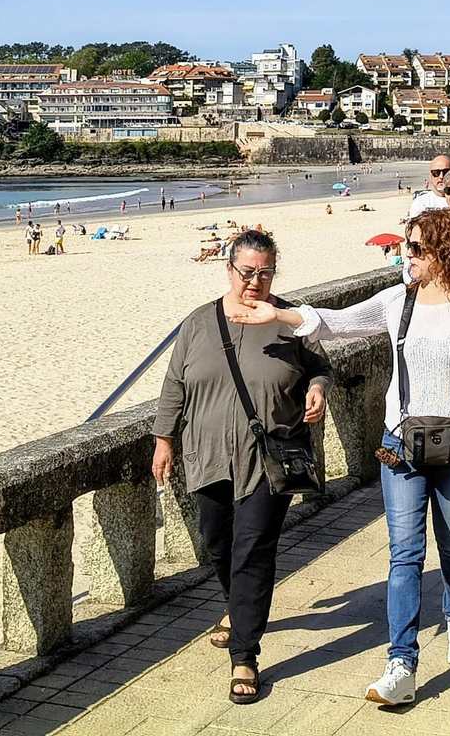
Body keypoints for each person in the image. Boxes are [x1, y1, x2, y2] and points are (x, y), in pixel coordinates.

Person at [237, 208, 450, 707]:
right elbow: (335, 324)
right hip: (400, 444)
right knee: (405, 554)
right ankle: (402, 661)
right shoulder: (399, 299)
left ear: (445, 252)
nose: (407, 254)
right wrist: (279, 313)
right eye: (406, 245)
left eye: (417, 248)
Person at [153, 230, 331, 704]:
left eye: (265, 272)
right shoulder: (198, 322)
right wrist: (163, 439)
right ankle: (237, 607)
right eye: (247, 272)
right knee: (217, 543)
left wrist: (317, 389)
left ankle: (245, 655)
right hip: (206, 453)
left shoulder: (288, 319)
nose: (255, 281)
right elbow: (175, 384)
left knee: (253, 549)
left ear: (275, 272)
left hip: (266, 458)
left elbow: (320, 365)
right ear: (229, 269)